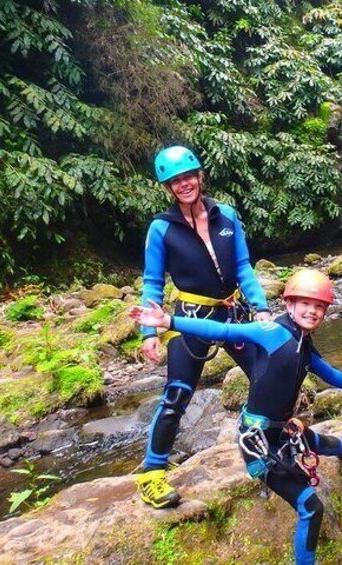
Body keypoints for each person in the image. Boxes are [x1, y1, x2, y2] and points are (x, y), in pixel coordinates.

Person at [131, 269, 342, 565]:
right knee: (311, 507)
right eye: (305, 304)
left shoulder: (304, 344)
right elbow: (222, 332)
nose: (312, 311)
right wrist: (168, 321)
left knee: (320, 441)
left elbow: (324, 370)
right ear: (289, 305)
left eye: (319, 307)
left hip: (283, 432)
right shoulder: (269, 332)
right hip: (259, 443)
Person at [136, 145, 272, 509]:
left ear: (200, 176)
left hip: (233, 312)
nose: (183, 184)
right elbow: (152, 282)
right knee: (177, 394)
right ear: (167, 187)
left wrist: (261, 308)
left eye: (188, 177)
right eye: (175, 180)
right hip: (190, 318)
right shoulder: (161, 228)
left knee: (268, 376)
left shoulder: (225, 215)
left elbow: (243, 266)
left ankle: (254, 442)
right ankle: (151, 475)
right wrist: (149, 333)